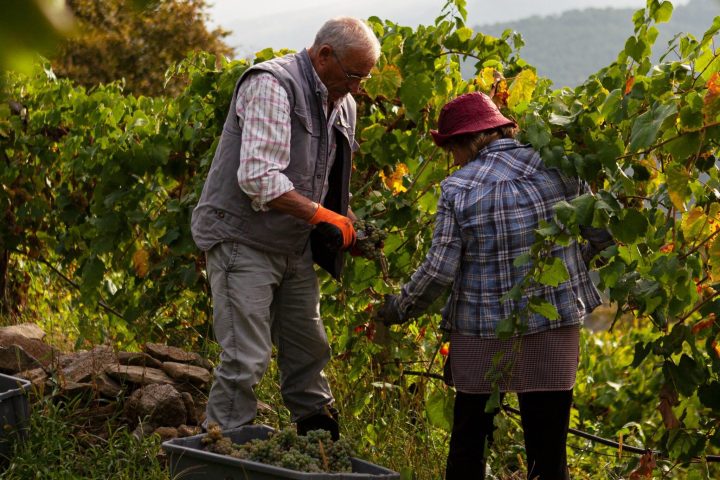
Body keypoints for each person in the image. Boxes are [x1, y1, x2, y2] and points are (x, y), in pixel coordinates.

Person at [377, 92, 614, 479]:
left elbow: (439, 272)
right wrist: (572, 264)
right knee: (548, 452)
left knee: (470, 443)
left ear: (463, 141)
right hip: (554, 327)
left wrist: (398, 308)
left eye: (450, 149)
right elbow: (603, 233)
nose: (452, 159)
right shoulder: (559, 167)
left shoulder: (458, 188)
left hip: (481, 333)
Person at [191, 17, 381, 439]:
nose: (356, 88)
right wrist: (322, 216)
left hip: (293, 243)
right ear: (324, 54)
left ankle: (318, 446)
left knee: (309, 350)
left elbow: (321, 176)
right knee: (246, 359)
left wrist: (343, 218)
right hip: (243, 239)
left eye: (363, 79)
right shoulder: (272, 85)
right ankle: (220, 451)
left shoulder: (344, 103)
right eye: (352, 75)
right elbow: (259, 177)